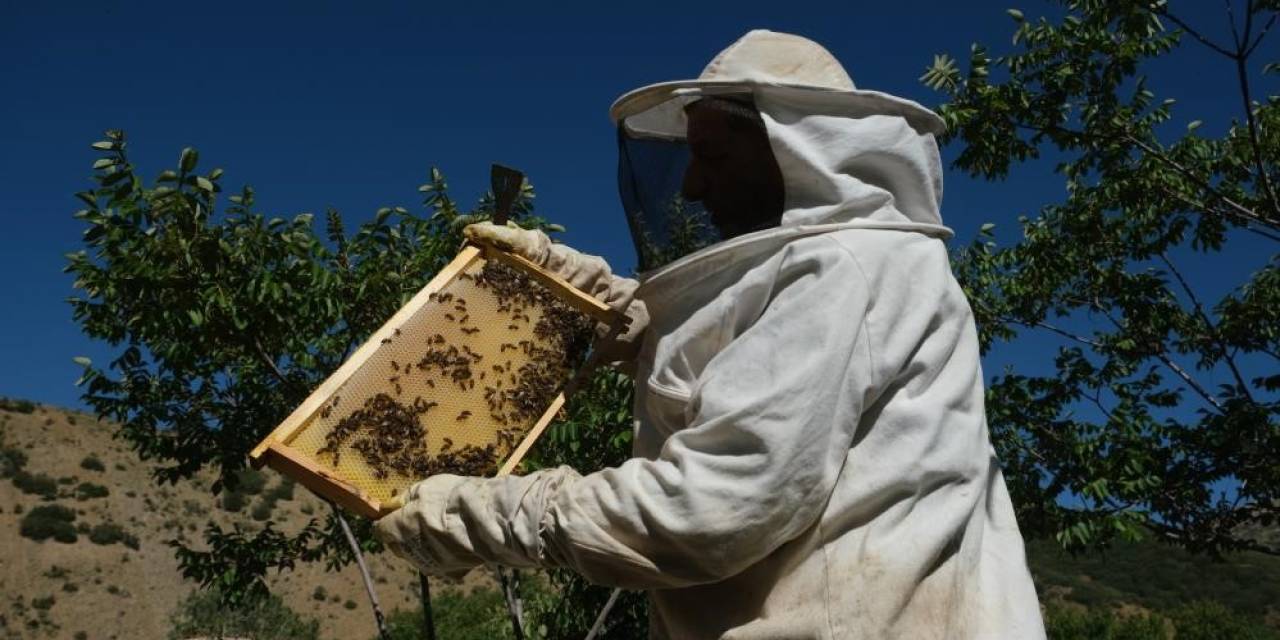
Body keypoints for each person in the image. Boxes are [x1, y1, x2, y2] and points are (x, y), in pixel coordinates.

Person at [376, 29, 1047, 638]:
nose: (692, 186)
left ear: (794, 154)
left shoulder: (844, 268)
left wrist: (471, 516)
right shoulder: (843, 272)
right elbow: (700, 337)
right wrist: (557, 281)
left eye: (713, 157)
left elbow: (711, 507)